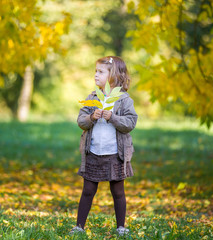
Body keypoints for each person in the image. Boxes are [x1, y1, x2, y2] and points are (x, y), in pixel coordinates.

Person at [70, 56, 138, 236]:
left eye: (100, 72)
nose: (95, 75)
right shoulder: (92, 97)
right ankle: (79, 226)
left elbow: (130, 123)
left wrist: (113, 117)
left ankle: (121, 227)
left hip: (115, 154)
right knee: (88, 190)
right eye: (95, 71)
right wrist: (91, 117)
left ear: (113, 75)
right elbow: (81, 121)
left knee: (118, 191)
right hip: (94, 152)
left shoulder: (123, 100)